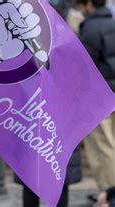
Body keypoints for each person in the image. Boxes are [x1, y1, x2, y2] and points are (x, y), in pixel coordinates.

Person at [78, 0, 115, 201]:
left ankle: (109, 195)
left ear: (89, 4)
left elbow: (85, 67)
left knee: (102, 148)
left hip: (99, 98)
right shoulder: (112, 22)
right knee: (112, 144)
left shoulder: (91, 26)